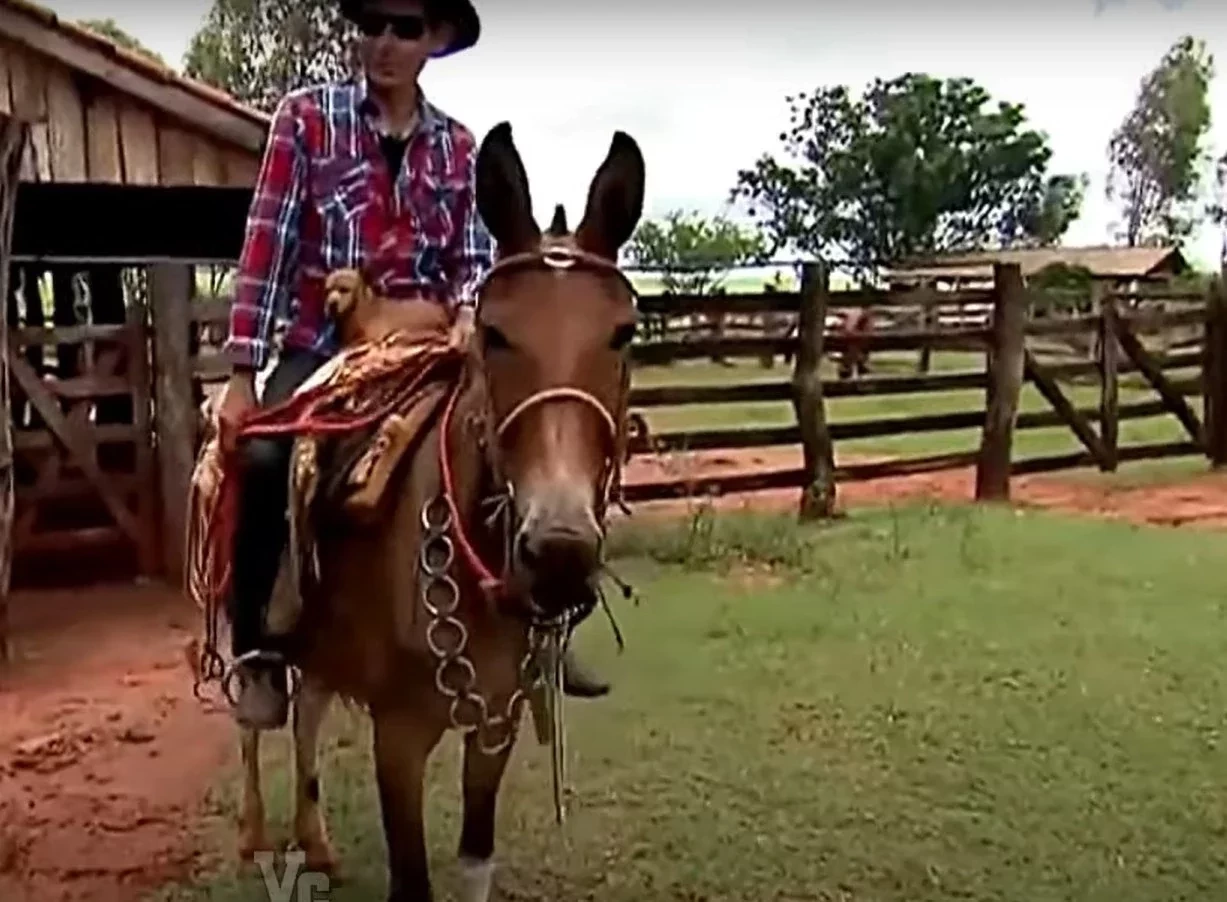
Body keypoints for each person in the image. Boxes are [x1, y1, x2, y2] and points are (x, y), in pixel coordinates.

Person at [216, 0, 610, 731]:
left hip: (429, 343)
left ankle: (550, 623)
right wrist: (243, 370)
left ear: (434, 40)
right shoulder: (303, 121)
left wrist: (467, 315)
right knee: (267, 456)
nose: (384, 43)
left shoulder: (459, 149)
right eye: (371, 25)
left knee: (530, 430)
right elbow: (265, 247)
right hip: (322, 344)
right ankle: (258, 650)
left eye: (404, 28)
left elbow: (468, 262)